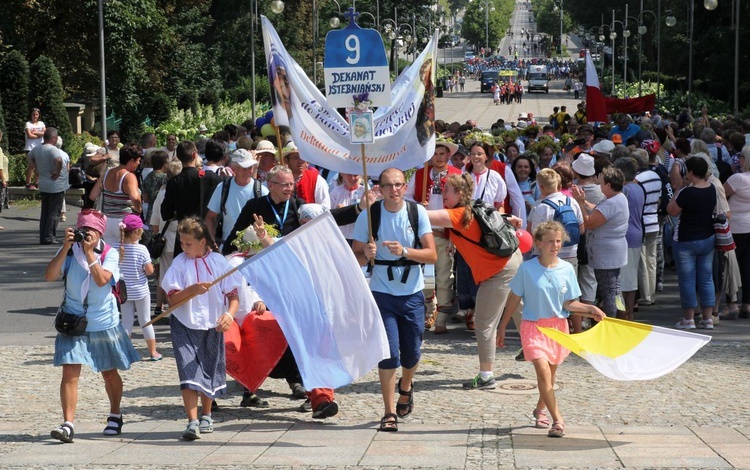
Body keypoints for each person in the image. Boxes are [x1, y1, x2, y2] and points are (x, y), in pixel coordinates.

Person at [498, 221, 606, 438]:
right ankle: (558, 419)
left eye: (558, 241)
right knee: (543, 371)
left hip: (558, 328)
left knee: (550, 377)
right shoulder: (527, 269)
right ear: (538, 243)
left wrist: (590, 309)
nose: (555, 245)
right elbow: (513, 298)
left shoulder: (566, 269)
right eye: (549, 241)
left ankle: (540, 409)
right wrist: (502, 327)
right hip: (533, 327)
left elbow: (569, 304)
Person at [352, 168, 437, 432]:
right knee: (388, 353)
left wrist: (406, 251)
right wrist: (366, 253)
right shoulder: (368, 216)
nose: (394, 190)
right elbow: (355, 258)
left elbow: (432, 255)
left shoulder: (416, 213)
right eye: (388, 186)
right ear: (379, 188)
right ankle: (388, 412)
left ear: (405, 186)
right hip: (382, 292)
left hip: (412, 292)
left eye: (398, 185)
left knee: (411, 352)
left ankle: (407, 385)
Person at [45, 209, 140, 443]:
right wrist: (66, 248)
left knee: (109, 372)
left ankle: (115, 414)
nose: (86, 235)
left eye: (91, 231)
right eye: (83, 230)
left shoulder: (110, 253)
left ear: (100, 233)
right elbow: (49, 276)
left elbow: (101, 279)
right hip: (73, 320)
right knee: (69, 371)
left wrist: (90, 255)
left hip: (102, 321)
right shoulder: (69, 252)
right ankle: (68, 424)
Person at [426, 173, 524, 388]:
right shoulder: (473, 206)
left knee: (483, 322)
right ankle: (533, 346)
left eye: (447, 191)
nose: (443, 195)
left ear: (459, 193)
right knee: (516, 307)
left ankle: (486, 376)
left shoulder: (457, 214)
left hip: (498, 270)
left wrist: (394, 202)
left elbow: (423, 215)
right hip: (513, 258)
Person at [161, 217, 242, 440]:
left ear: (203, 242)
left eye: (188, 243)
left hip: (212, 324)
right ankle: (192, 421)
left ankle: (206, 414)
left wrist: (229, 315)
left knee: (209, 369)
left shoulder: (218, 262)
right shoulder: (179, 263)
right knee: (188, 372)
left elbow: (233, 296)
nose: (184, 247)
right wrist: (192, 290)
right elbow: (172, 300)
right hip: (184, 324)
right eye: (181, 242)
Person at [405, 139, 462, 331]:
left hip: (447, 234)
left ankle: (442, 319)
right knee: (426, 277)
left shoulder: (456, 175)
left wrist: (455, 236)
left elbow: (463, 204)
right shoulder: (420, 175)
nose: (438, 157)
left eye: (442, 154)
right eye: (435, 154)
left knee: (446, 276)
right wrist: (417, 207)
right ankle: (430, 312)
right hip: (425, 233)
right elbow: (407, 196)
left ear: (448, 156)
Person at [571, 167, 629, 319]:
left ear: (609, 185)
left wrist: (579, 203)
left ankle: (611, 322)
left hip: (607, 254)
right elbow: (598, 210)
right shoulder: (618, 198)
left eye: (602, 183)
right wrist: (583, 201)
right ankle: (620, 319)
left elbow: (589, 222)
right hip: (613, 251)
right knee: (615, 290)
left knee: (608, 291)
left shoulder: (612, 203)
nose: (599, 185)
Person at [667, 157, 717, 330]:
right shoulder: (712, 189)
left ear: (691, 172)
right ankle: (708, 318)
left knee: (687, 280)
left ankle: (689, 319)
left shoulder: (687, 192)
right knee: (706, 279)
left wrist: (679, 188)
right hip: (707, 238)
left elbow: (671, 210)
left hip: (686, 239)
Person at [113, 214, 161, 361]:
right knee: (145, 321)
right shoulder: (141, 250)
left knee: (126, 322)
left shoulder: (115, 248)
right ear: (137, 233)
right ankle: (153, 352)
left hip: (124, 291)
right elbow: (149, 271)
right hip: (141, 291)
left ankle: (125, 352)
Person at [89, 145, 142, 244]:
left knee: (111, 254)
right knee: (128, 254)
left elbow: (92, 196)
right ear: (131, 161)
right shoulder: (129, 176)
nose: (139, 163)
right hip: (124, 221)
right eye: (138, 160)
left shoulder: (107, 173)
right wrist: (139, 209)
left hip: (107, 221)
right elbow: (135, 197)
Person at [723, 148, 750, 319]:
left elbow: (720, 195)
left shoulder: (738, 179)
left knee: (731, 267)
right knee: (748, 267)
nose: (738, 159)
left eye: (741, 156)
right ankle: (747, 304)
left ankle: (731, 303)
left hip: (736, 228)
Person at [28, 128, 68, 245]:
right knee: (54, 212)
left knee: (45, 211)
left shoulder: (37, 148)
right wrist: (57, 171)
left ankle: (44, 236)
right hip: (56, 185)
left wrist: (36, 167)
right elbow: (59, 160)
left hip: (44, 184)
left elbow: (29, 157)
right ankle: (49, 237)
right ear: (54, 138)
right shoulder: (52, 149)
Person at [24, 108, 45, 190]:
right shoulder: (28, 124)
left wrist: (35, 133)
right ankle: (28, 183)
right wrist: (39, 135)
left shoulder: (41, 123)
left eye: (36, 114)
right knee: (32, 166)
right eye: (33, 114)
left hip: (39, 147)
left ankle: (37, 183)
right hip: (30, 148)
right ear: (31, 115)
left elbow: (44, 133)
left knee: (38, 166)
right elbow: (29, 135)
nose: (35, 116)